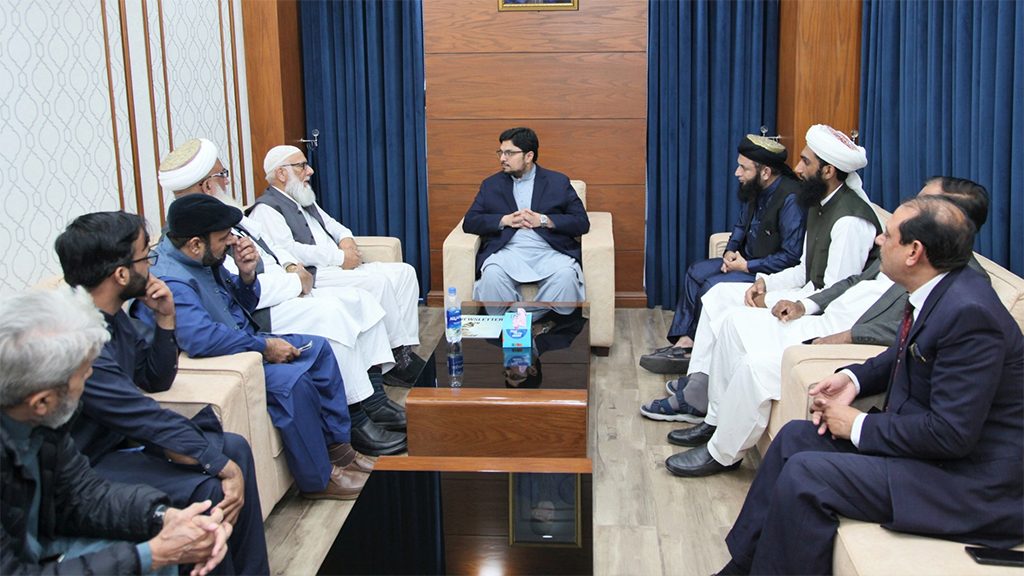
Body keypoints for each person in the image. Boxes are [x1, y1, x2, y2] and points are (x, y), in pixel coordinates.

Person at [715, 196, 1023, 575]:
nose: (878, 240)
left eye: (888, 235)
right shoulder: (941, 289)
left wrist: (857, 425)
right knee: (794, 438)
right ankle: (740, 568)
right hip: (933, 459)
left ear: (914, 252)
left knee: (807, 475)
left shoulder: (970, 314)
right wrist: (853, 377)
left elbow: (951, 434)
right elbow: (902, 352)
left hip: (968, 486)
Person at [664, 177, 992, 477]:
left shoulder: (956, 287)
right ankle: (714, 421)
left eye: (926, 205)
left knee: (754, 368)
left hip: (849, 339)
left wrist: (847, 339)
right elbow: (853, 281)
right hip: (829, 317)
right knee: (733, 323)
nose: (880, 238)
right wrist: (805, 305)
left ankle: (721, 453)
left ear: (950, 219)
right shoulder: (912, 255)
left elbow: (909, 339)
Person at [54, 211, 270, 574]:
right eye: (145, 257)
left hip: (116, 449)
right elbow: (141, 415)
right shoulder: (78, 341)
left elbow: (156, 380)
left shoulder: (113, 316)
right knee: (211, 489)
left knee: (234, 446)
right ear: (121, 274)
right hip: (84, 470)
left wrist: (165, 320)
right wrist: (218, 465)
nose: (152, 264)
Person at [137, 194, 379, 501]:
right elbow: (202, 339)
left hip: (245, 341)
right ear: (196, 243)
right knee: (293, 383)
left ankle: (341, 453)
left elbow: (243, 305)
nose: (231, 243)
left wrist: (247, 273)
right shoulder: (173, 278)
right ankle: (320, 479)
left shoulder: (201, 258)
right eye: (224, 238)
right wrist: (264, 346)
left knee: (317, 349)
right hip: (227, 360)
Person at [159, 139, 408, 433]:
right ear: (208, 186)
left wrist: (292, 267)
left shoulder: (230, 216)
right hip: (265, 309)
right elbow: (239, 290)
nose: (228, 180)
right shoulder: (197, 236)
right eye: (222, 174)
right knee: (333, 314)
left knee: (361, 300)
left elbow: (273, 248)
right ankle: (356, 418)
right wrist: (296, 281)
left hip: (285, 284)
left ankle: (376, 400)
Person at [641, 124, 882, 423]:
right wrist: (765, 282)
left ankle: (698, 398)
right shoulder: (820, 204)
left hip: (820, 312)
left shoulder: (849, 220)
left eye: (806, 161)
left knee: (730, 315)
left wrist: (773, 298)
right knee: (716, 295)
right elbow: (804, 270)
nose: (797, 168)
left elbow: (835, 292)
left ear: (828, 171)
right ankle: (698, 385)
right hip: (803, 293)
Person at [1, 288, 232, 575]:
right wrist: (151, 555)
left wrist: (164, 517)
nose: (89, 381)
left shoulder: (44, 420)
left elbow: (83, 493)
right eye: (85, 374)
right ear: (42, 402)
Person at [246, 145, 422, 371]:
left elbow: (332, 224)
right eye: (301, 166)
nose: (309, 170)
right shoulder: (266, 209)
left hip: (338, 265)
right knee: (378, 283)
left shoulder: (301, 197)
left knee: (405, 272)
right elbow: (288, 250)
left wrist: (346, 239)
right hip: (316, 273)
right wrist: (339, 257)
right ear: (281, 174)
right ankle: (394, 361)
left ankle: (403, 349)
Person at [640, 134, 806, 374]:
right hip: (744, 262)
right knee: (696, 271)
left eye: (743, 168)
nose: (737, 173)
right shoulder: (757, 187)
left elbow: (791, 256)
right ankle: (686, 343)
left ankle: (697, 355)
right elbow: (741, 225)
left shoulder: (791, 199)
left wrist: (746, 266)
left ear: (766, 171)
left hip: (767, 273)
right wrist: (730, 250)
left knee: (711, 285)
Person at [462, 127, 591, 305]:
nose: (502, 159)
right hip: (507, 252)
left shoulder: (558, 182)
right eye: (500, 152)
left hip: (549, 252)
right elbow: (470, 222)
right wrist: (504, 220)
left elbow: (581, 223)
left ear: (529, 156)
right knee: (491, 276)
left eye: (509, 153)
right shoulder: (491, 185)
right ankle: (536, 322)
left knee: (566, 277)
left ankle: (518, 321)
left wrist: (545, 221)